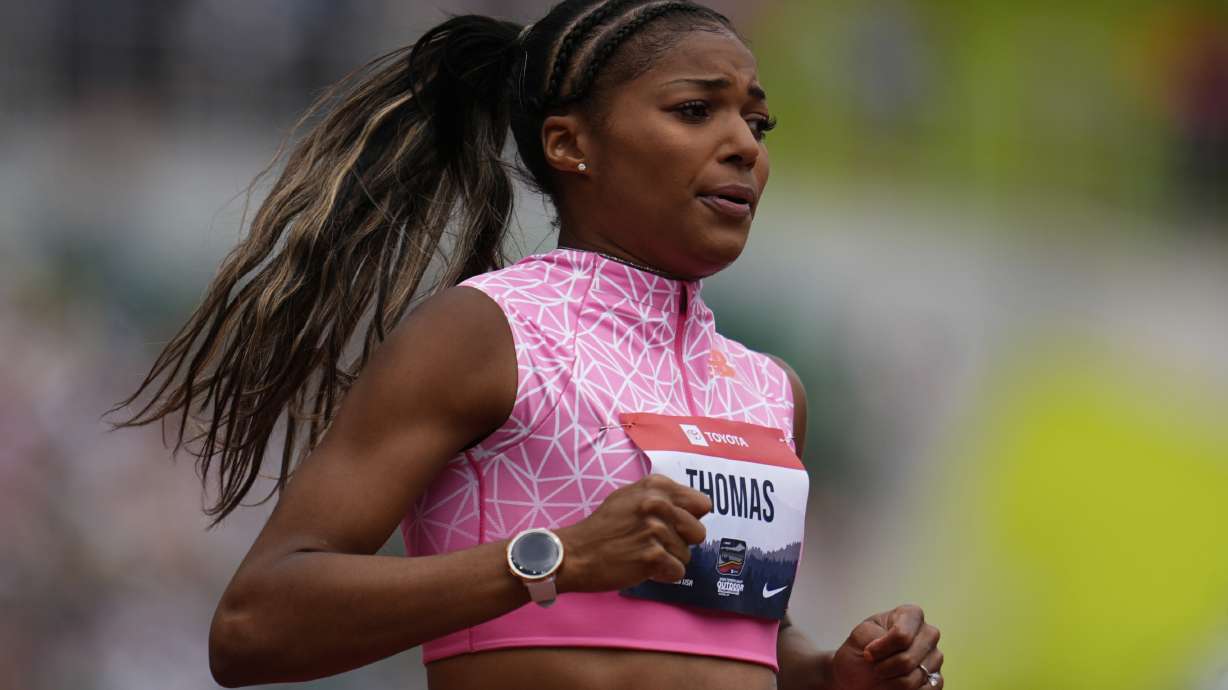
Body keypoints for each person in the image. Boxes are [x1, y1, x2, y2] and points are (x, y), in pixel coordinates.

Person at [114, 1, 944, 688]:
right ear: (568, 145)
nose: (744, 146)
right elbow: (255, 624)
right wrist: (558, 558)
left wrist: (833, 673)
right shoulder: (486, 333)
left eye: (758, 121)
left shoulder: (770, 391)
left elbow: (737, 646)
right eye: (696, 110)